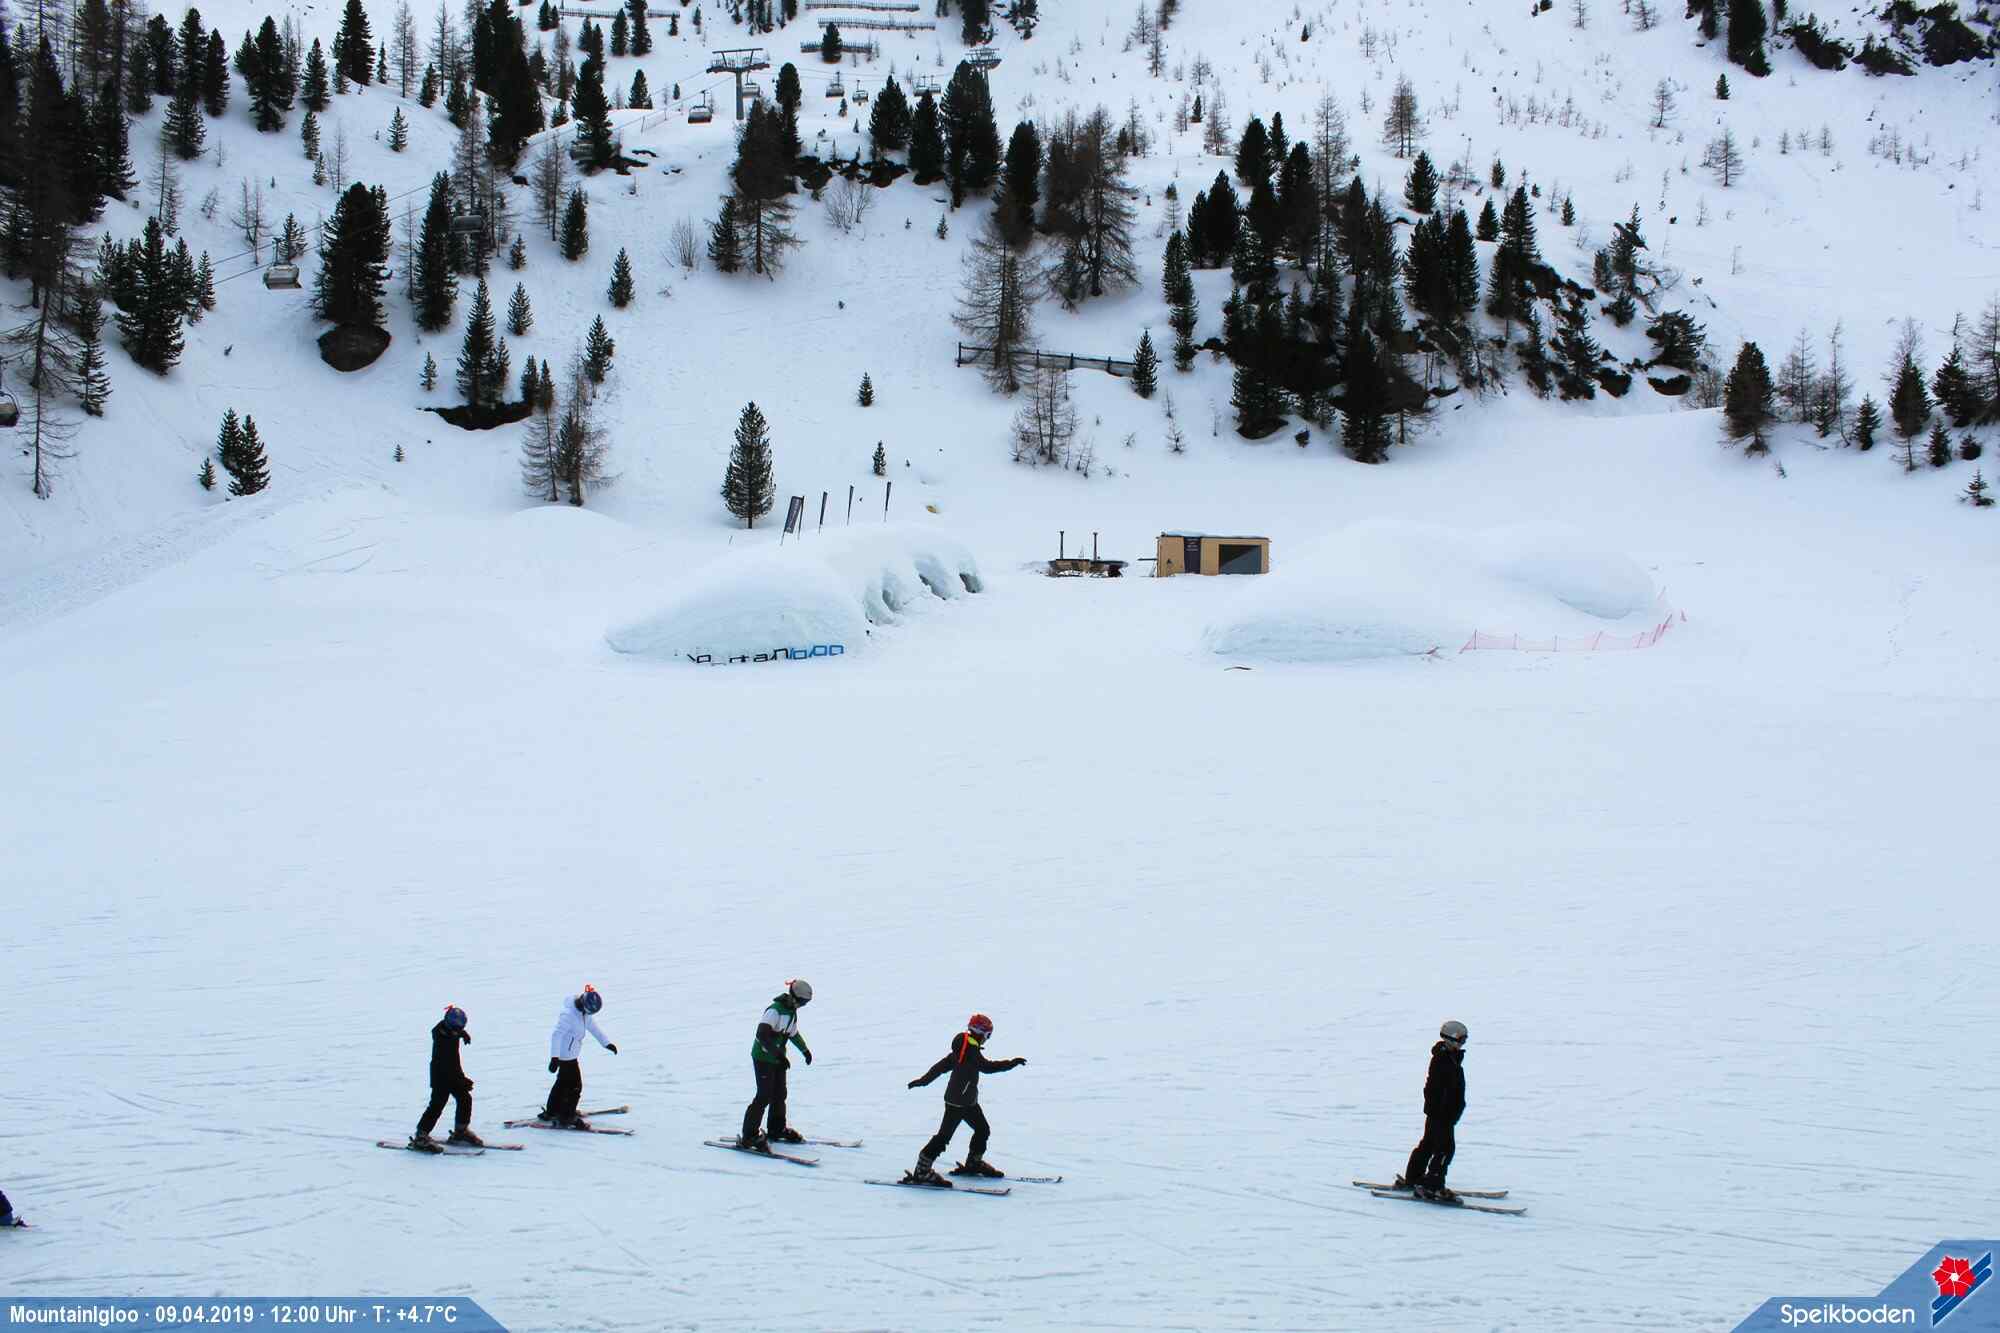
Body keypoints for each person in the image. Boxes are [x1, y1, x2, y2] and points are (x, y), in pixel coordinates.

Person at [903, 1013, 1026, 1184]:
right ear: (981, 1033)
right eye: (988, 1035)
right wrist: (1011, 1063)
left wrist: (923, 1081)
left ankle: (974, 1163)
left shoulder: (965, 1048)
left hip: (968, 1101)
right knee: (943, 1137)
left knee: (982, 1129)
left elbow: (940, 1067)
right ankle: (922, 1171)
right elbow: (987, 1067)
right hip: (957, 1103)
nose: (987, 1039)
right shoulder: (969, 1051)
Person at [739, 979, 813, 1151]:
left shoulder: (791, 1012)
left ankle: (776, 1129)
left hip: (777, 1058)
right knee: (764, 1095)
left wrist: (805, 1050)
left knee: (779, 1094)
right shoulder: (775, 1011)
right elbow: (761, 1035)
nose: (803, 1005)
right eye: (802, 1002)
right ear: (795, 997)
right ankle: (749, 1136)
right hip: (763, 1058)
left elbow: (793, 1034)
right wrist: (777, 1053)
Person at [1399, 1020, 1468, 1201]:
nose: (1463, 1044)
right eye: (1461, 1040)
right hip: (1442, 1114)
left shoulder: (1450, 1058)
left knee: (1429, 1144)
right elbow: (1434, 1089)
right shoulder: (1443, 1060)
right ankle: (1432, 1186)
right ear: (1451, 1038)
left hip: (1440, 1112)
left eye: (1465, 1040)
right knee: (1445, 1149)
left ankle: (1414, 1178)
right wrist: (1443, 1110)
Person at [542, 984, 617, 1129]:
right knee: (575, 1086)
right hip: (565, 1056)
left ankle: (552, 1111)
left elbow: (594, 1028)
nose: (590, 1014)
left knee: (562, 1083)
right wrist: (554, 1058)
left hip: (571, 1054)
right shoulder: (569, 1015)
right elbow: (556, 1035)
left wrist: (607, 1043)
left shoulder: (583, 1013)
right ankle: (567, 1117)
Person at [411, 1004, 482, 1151]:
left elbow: (453, 1035)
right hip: (441, 1076)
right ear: (449, 1024)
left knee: (465, 1099)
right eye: (457, 1028)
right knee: (437, 1105)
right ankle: (421, 1137)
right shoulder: (443, 1040)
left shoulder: (449, 1030)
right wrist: (461, 1081)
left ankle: (461, 1131)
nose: (458, 1030)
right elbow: (449, 1066)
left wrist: (462, 1034)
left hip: (453, 1073)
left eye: (461, 1027)